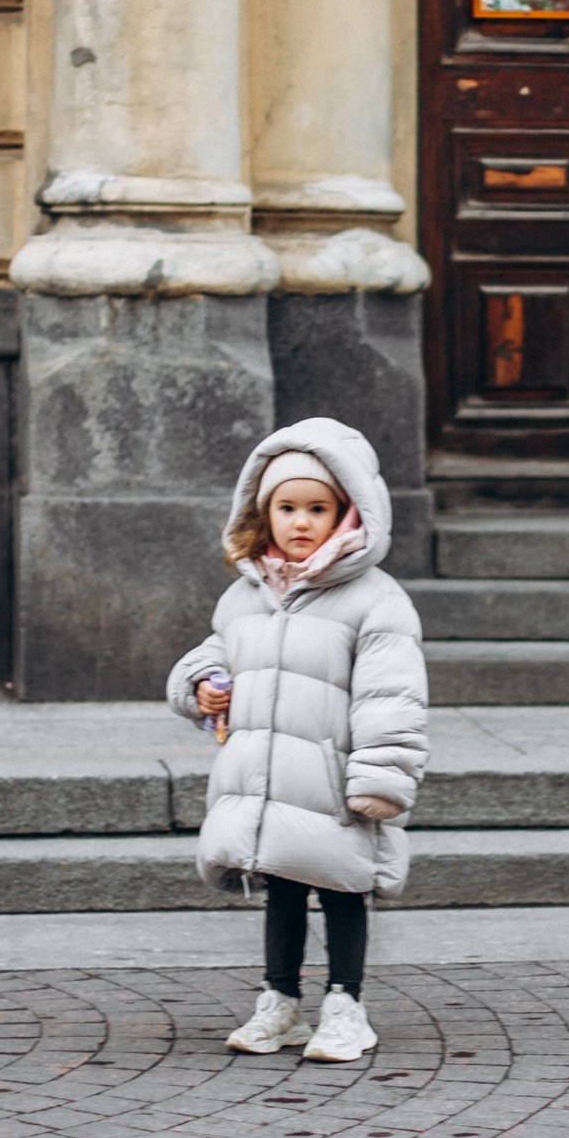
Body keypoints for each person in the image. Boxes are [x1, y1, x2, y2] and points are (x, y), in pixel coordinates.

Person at [169, 418, 429, 1065]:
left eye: (318, 509)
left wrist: (381, 778)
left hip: (334, 781)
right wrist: (202, 684)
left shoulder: (375, 601)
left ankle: (345, 1005)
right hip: (267, 783)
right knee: (282, 888)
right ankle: (280, 1000)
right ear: (264, 513)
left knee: (343, 889)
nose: (301, 522)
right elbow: (214, 652)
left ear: (348, 513)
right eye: (287, 508)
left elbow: (391, 695)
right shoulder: (248, 595)